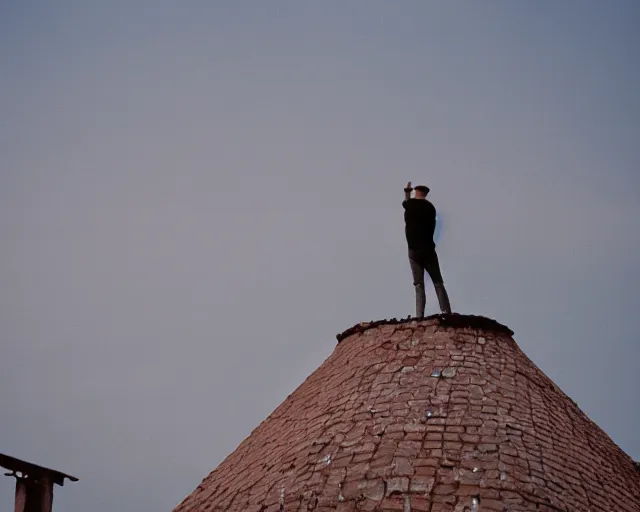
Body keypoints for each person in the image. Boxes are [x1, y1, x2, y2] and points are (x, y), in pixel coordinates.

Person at [403, 181, 452, 317]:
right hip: (428, 249)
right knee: (437, 281)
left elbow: (406, 204)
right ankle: (446, 311)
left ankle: (419, 315)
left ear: (416, 192)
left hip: (413, 250)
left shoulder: (411, 205)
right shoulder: (431, 209)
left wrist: (407, 192)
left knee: (419, 285)